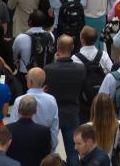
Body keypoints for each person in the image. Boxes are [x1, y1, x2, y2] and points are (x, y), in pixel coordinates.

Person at [44, 36, 87, 166]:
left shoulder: (48, 69)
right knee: (73, 151)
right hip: (72, 112)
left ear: (57, 48)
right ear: (73, 48)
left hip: (53, 114)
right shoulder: (80, 68)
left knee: (49, 149)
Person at [5, 96, 53, 166]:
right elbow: (46, 155)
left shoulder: (7, 129)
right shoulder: (44, 131)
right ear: (35, 111)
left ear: (18, 110)